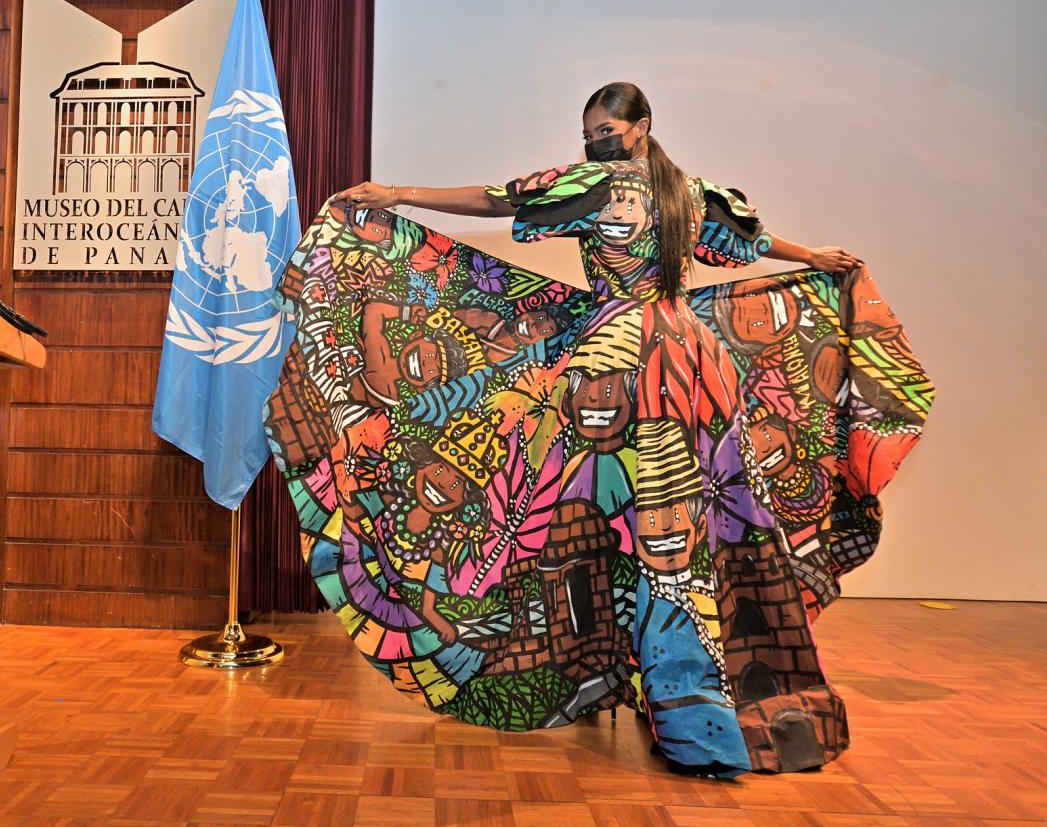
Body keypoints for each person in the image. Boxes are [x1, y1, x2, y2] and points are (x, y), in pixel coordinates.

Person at [326, 82, 863, 776]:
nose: (597, 143)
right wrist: (810, 256)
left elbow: (498, 199)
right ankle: (670, 698)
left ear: (642, 127)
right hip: (688, 355)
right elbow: (749, 240)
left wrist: (397, 193)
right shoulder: (687, 191)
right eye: (590, 135)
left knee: (617, 518)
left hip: (624, 358)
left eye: (607, 131)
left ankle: (676, 708)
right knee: (673, 526)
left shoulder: (634, 189)